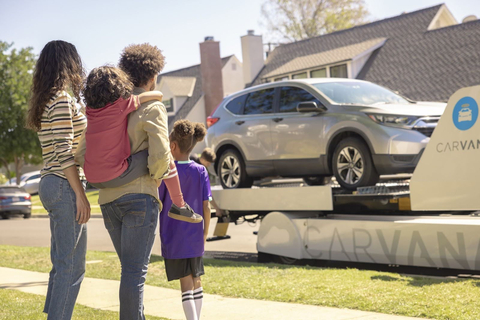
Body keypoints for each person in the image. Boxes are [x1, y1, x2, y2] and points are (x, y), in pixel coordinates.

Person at [75, 43, 170, 320]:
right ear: (153, 77)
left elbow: (81, 152)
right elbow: (162, 156)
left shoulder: (109, 106)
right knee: (133, 272)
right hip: (139, 197)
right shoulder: (151, 106)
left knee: (129, 270)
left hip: (108, 201)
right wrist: (154, 175)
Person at [82, 66, 201, 223]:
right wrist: (157, 177)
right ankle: (179, 204)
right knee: (162, 152)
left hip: (92, 177)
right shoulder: (122, 104)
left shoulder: (89, 111)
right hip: (116, 176)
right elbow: (158, 95)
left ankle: (179, 204)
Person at [27, 40, 90, 320]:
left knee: (62, 263)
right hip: (64, 185)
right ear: (68, 64)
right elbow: (65, 151)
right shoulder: (62, 98)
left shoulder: (46, 100)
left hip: (50, 184)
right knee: (72, 266)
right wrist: (81, 194)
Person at [158, 120, 212, 320]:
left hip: (175, 236)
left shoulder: (167, 172)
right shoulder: (201, 171)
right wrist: (205, 233)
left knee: (185, 285)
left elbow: (160, 202)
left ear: (172, 146)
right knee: (196, 280)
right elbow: (206, 206)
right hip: (196, 235)